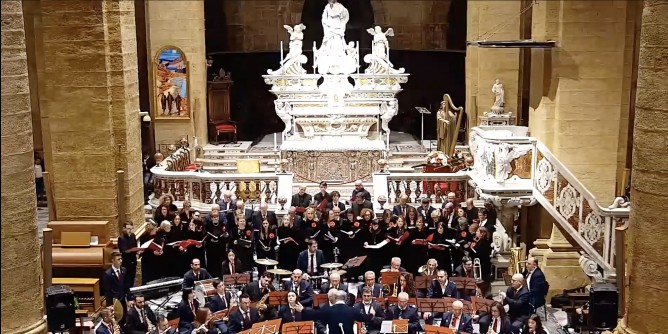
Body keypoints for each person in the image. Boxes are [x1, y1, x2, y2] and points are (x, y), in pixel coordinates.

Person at [300, 290, 369, 334]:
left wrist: (303, 309)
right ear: (345, 298)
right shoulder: (352, 310)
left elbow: (314, 314)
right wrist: (371, 314)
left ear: (335, 298)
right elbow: (364, 318)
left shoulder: (328, 310)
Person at [102, 251, 130, 324]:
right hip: (114, 301)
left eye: (121, 259)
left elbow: (127, 285)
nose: (120, 261)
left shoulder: (124, 270)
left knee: (124, 318)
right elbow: (107, 291)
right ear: (113, 260)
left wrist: (130, 299)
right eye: (118, 259)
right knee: (116, 320)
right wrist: (109, 305)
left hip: (123, 299)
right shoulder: (107, 274)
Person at [117, 222, 138, 288]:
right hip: (126, 263)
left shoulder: (133, 235)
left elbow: (135, 246)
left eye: (131, 229)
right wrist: (132, 250)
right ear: (124, 229)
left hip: (133, 261)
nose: (130, 231)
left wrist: (138, 251)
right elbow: (123, 251)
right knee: (126, 281)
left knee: (132, 278)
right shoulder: (121, 238)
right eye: (128, 229)